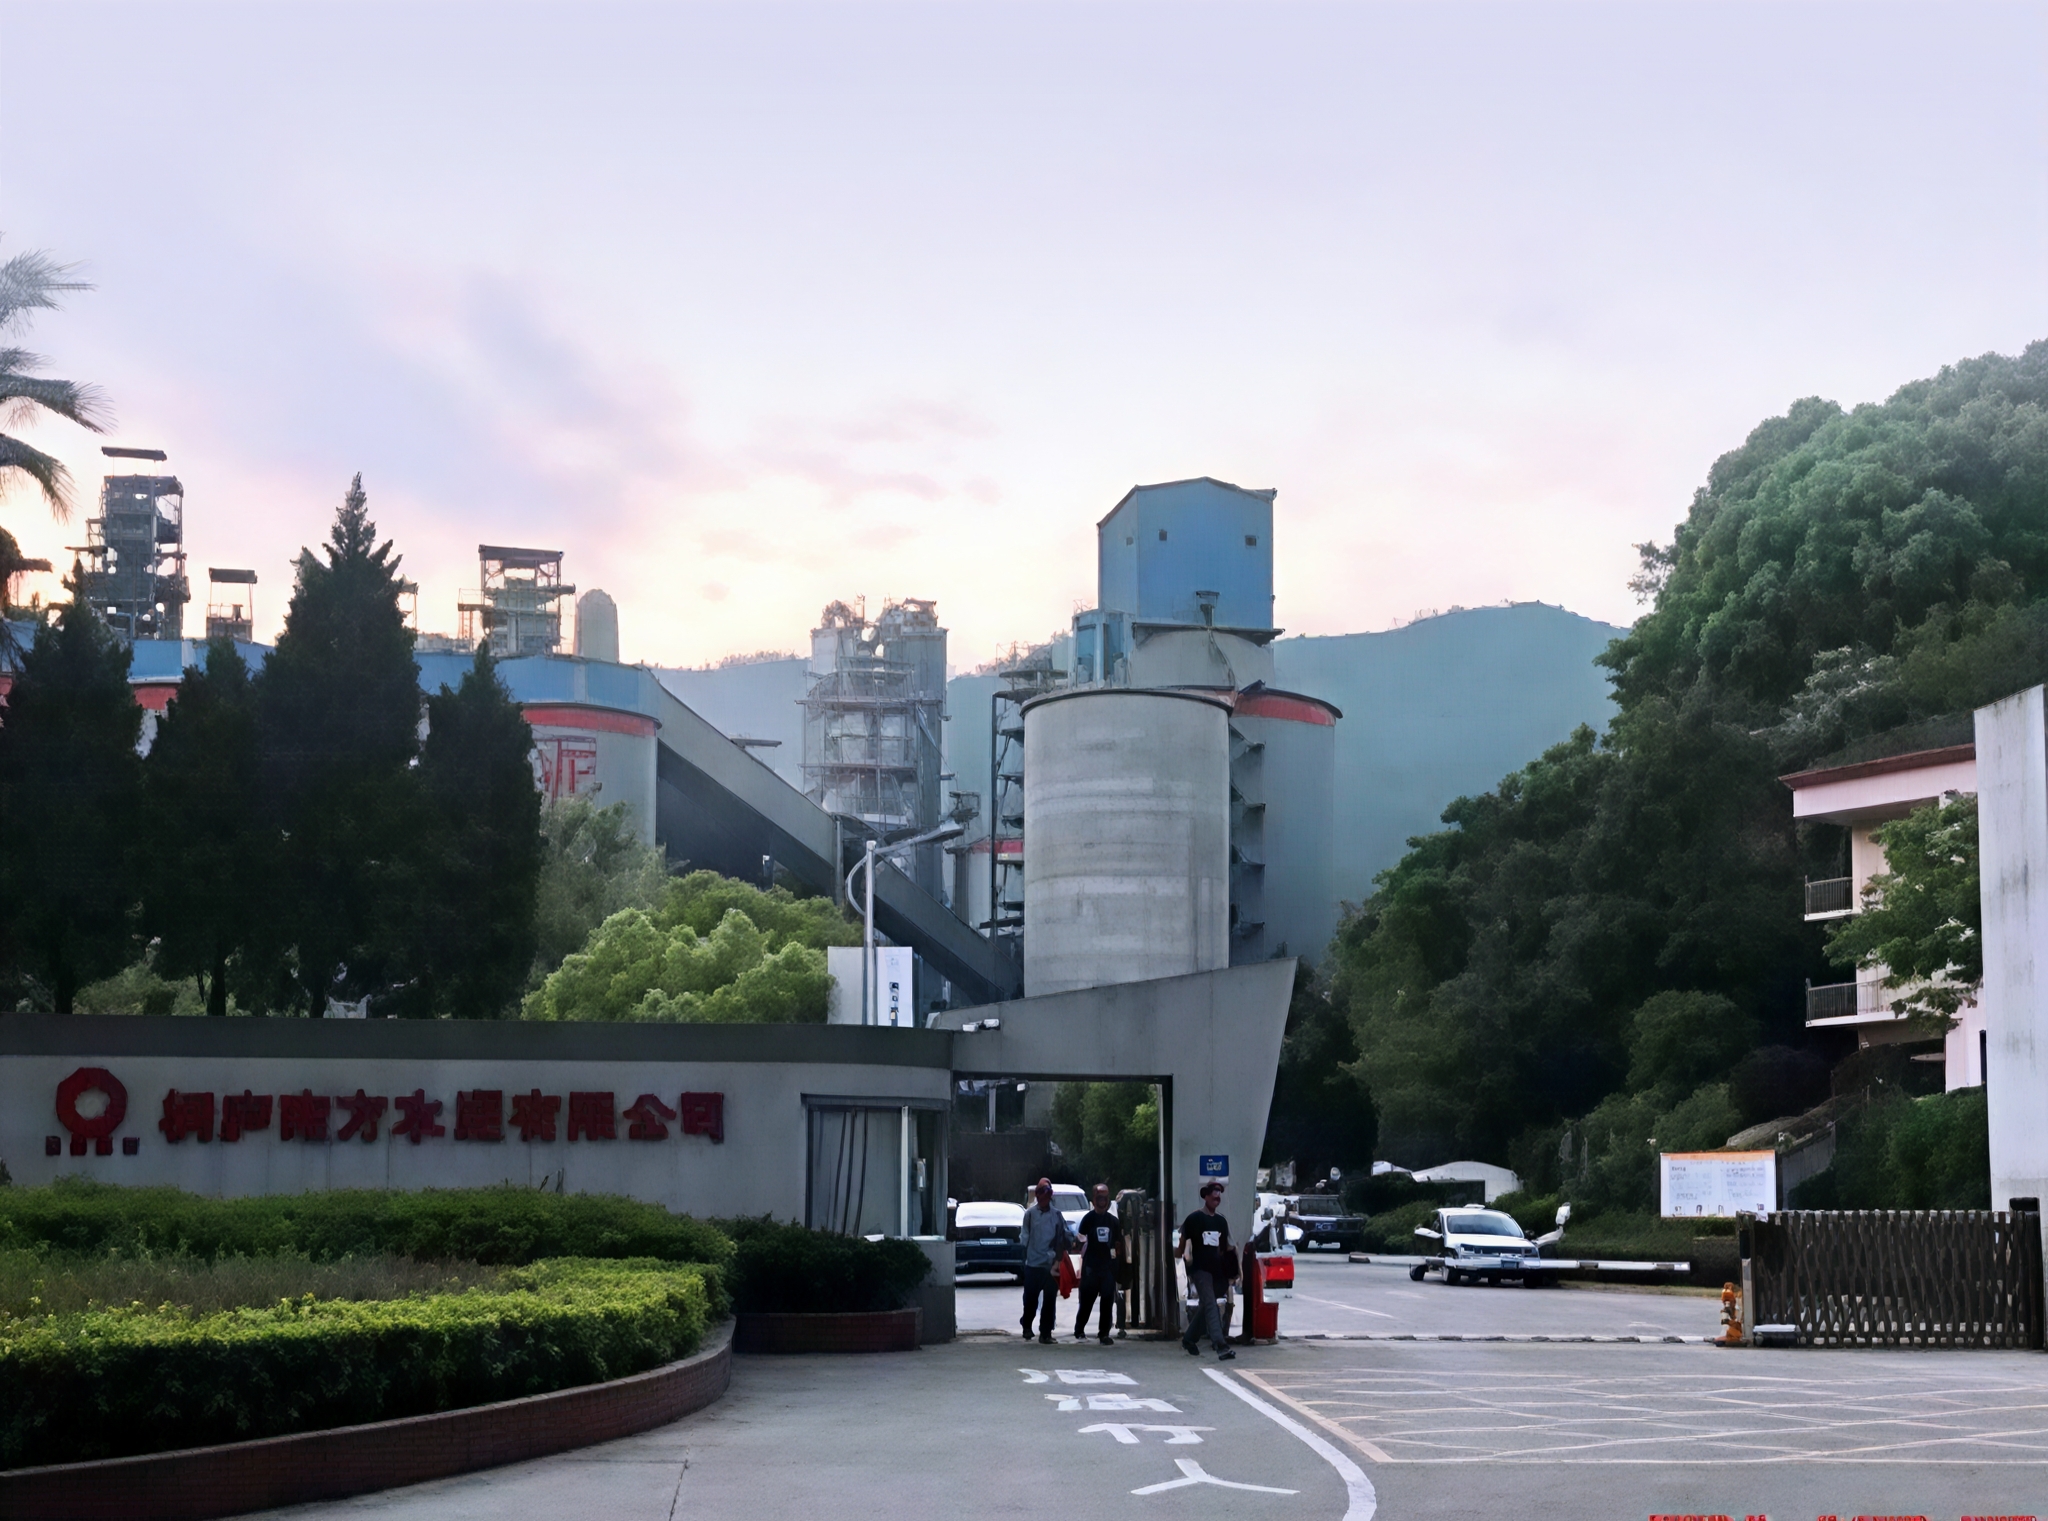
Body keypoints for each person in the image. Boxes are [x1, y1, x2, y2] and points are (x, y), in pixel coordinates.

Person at [1178, 1179, 1238, 1360]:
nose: (1216, 1197)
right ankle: (1221, 1346)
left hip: (1217, 1273)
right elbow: (1183, 1247)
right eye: (1213, 1193)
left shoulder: (1221, 1221)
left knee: (1206, 1305)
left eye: (1219, 1194)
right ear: (1205, 1196)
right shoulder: (1194, 1219)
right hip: (1200, 1270)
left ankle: (1189, 1339)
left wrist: (1236, 1272)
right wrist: (1182, 1258)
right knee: (1211, 1305)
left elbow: (1227, 1248)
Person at [1019, 1176, 1076, 1344]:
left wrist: (1066, 1248)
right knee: (1030, 1299)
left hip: (1051, 1265)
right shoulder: (1030, 1215)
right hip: (1033, 1263)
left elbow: (1063, 1236)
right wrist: (1024, 1260)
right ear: (1037, 1196)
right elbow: (1024, 1238)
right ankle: (1027, 1326)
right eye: (1041, 1195)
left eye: (1047, 1195)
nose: (1044, 1199)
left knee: (1050, 1300)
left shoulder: (1056, 1215)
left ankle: (1046, 1333)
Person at [1072, 1182, 1123, 1345]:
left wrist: (1116, 1262)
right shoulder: (1088, 1219)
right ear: (1094, 1199)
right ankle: (1079, 1329)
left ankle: (1104, 1333)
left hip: (1107, 1267)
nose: (1102, 1202)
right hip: (1091, 1266)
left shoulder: (1113, 1221)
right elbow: (1080, 1240)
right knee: (1087, 1300)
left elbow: (1118, 1243)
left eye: (1105, 1199)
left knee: (1107, 1300)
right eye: (1099, 1198)